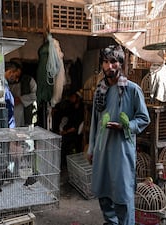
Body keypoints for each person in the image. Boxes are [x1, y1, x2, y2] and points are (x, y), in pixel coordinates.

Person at [87, 45, 150, 225]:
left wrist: (125, 126)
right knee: (103, 193)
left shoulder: (132, 90)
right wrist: (92, 148)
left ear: (121, 64)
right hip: (101, 149)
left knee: (122, 195)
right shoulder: (100, 90)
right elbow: (94, 121)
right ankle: (111, 222)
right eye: (105, 62)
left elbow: (144, 118)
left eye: (113, 61)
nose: (109, 66)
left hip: (121, 151)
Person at [6, 61, 38, 127]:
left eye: (17, 76)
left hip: (25, 113)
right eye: (15, 75)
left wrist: (21, 99)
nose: (16, 79)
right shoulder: (6, 81)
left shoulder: (29, 80)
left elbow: (35, 95)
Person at [59, 91, 84, 167]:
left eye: (73, 97)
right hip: (67, 129)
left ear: (78, 98)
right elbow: (65, 117)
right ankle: (63, 163)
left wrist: (66, 132)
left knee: (65, 140)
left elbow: (76, 127)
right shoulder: (71, 107)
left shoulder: (81, 110)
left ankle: (65, 164)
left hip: (74, 133)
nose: (71, 98)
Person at [4, 62, 17, 128]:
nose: (12, 75)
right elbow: (9, 111)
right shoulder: (5, 88)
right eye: (10, 72)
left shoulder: (5, 86)